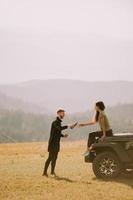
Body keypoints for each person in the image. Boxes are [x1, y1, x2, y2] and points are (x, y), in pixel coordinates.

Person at [42, 109, 77, 177]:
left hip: (56, 143)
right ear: (58, 113)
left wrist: (63, 136)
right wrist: (68, 126)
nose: (63, 115)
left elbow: (57, 133)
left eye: (64, 114)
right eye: (62, 113)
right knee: (50, 158)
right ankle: (44, 172)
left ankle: (52, 172)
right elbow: (59, 129)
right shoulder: (55, 122)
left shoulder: (58, 122)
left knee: (55, 158)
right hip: (52, 144)